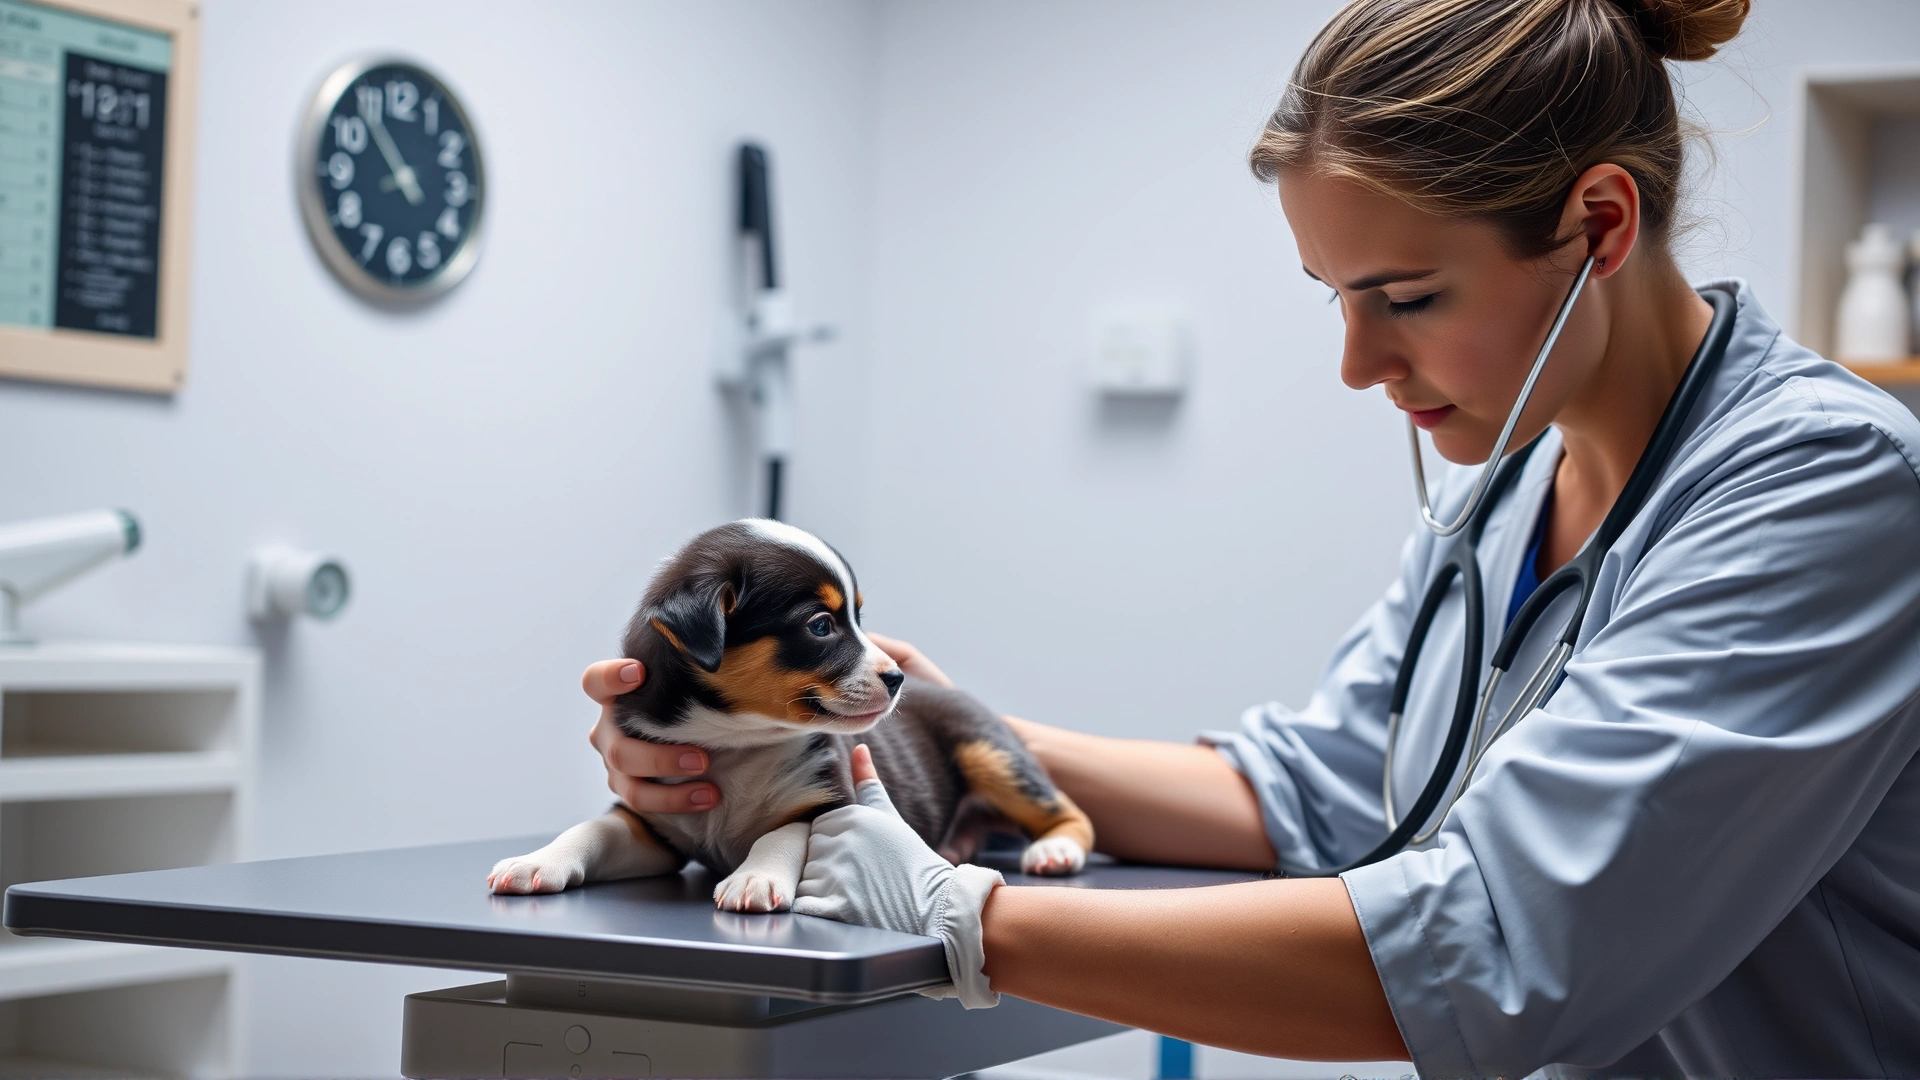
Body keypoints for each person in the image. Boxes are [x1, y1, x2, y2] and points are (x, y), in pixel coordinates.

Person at [584, 0, 1920, 1074]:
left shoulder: (1827, 486)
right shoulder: (1506, 495)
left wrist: (955, 913)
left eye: (1403, 296)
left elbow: (1503, 951)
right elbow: (1322, 796)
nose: (1355, 363)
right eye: (1334, 296)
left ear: (1601, 226)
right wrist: (892, 732)